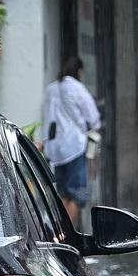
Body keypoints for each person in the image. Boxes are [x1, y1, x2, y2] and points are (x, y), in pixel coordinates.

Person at [41, 57, 100, 221]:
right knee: (79, 194)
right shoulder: (77, 88)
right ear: (79, 72)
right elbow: (93, 117)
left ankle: (59, 233)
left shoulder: (50, 89)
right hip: (75, 147)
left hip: (54, 150)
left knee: (62, 194)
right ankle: (65, 237)